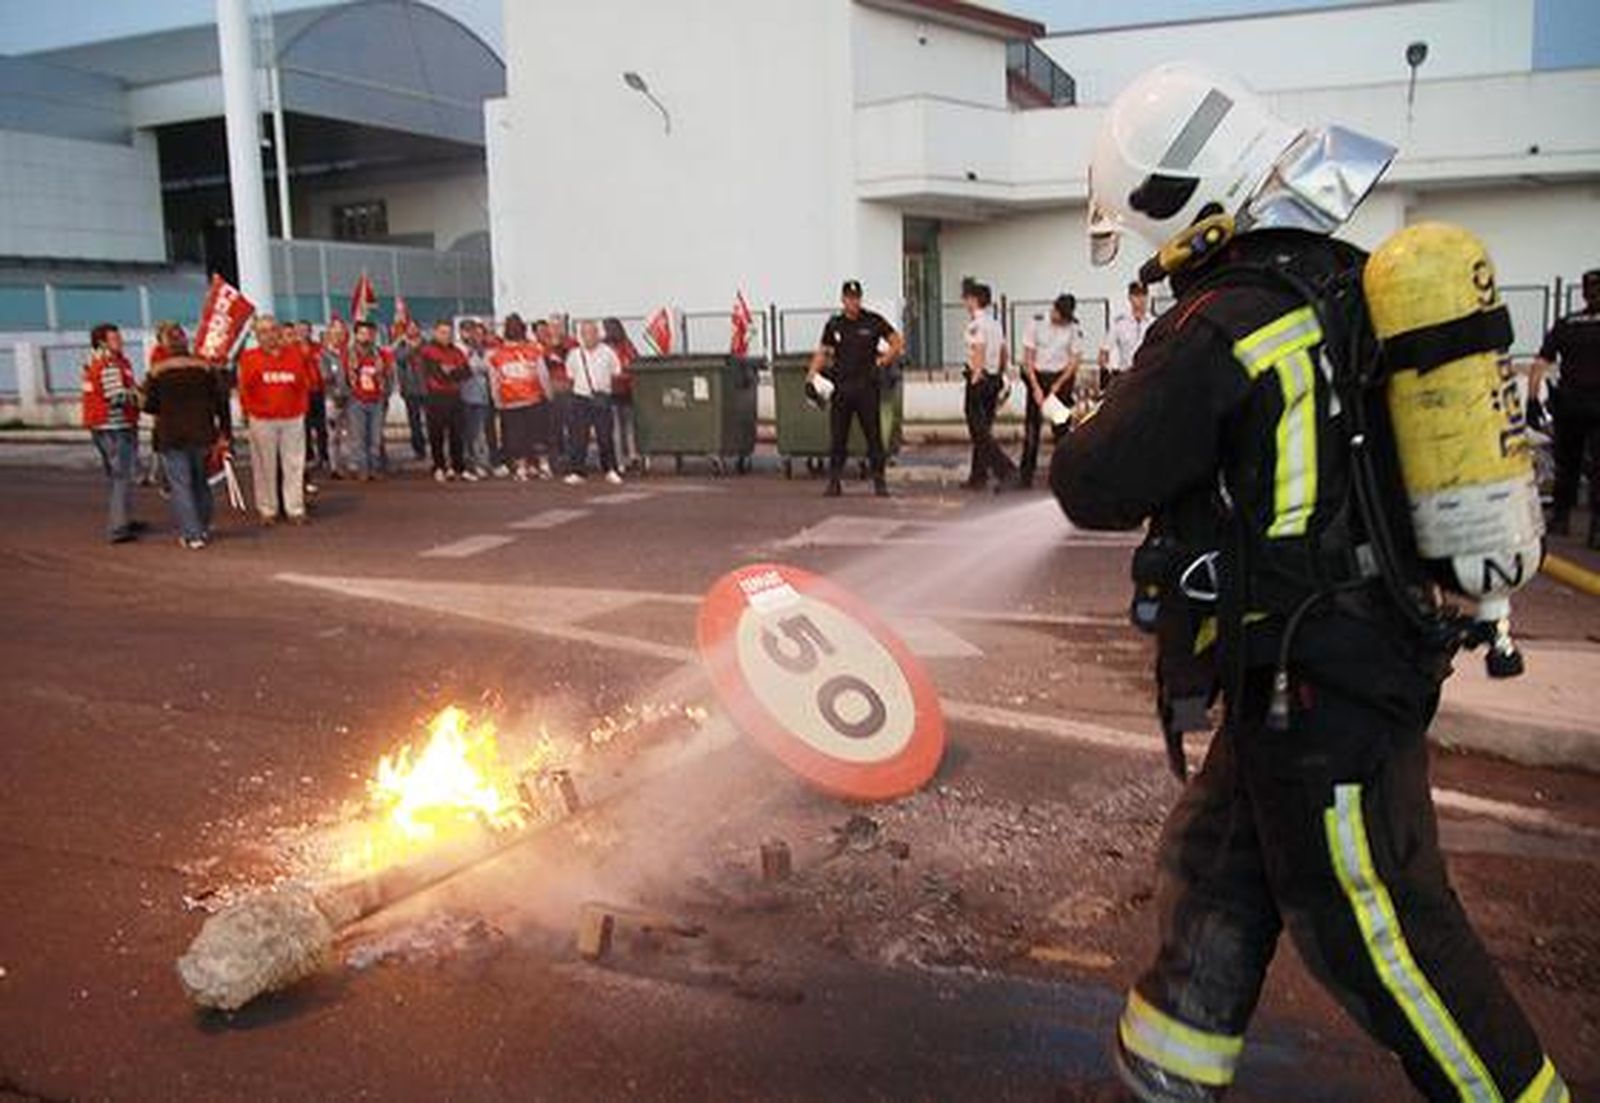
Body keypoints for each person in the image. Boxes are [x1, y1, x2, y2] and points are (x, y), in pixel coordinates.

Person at [1054, 62, 1568, 1103]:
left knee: (1378, 929)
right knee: (1216, 866)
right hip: (1312, 666)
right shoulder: (1340, 276)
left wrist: (1082, 422)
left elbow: (1095, 476)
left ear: (1179, 199)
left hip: (1321, 680)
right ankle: (1162, 1078)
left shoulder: (1226, 321)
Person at [808, 279, 902, 498]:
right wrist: (811, 374)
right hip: (841, 387)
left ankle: (879, 481)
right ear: (843, 300)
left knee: (873, 436)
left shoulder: (873, 321)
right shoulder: (835, 324)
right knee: (838, 436)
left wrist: (883, 361)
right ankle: (834, 482)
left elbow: (896, 342)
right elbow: (823, 351)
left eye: (856, 298)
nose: (853, 302)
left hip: (866, 388)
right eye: (849, 298)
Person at [1529, 267, 1600, 547]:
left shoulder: (1567, 323)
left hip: (1570, 404)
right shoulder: (1566, 324)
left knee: (1567, 465)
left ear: (1583, 292)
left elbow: (1540, 364)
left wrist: (1532, 400)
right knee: (1595, 467)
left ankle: (1561, 518)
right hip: (1591, 405)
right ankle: (1596, 528)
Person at [142, 330, 231, 548]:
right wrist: (225, 432)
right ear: (187, 345)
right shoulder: (205, 368)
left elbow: (149, 406)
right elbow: (221, 401)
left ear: (167, 348)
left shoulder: (156, 372)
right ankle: (204, 524)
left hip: (171, 435)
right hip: (202, 433)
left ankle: (192, 534)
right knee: (202, 482)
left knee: (181, 485)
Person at [237, 315, 311, 525]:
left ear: (279, 332)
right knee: (263, 465)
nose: (268, 335)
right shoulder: (249, 358)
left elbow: (303, 384)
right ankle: (268, 509)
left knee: (294, 464)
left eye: (271, 330)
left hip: (292, 417)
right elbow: (245, 389)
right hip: (262, 419)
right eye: (263, 332)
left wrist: (301, 409)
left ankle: (295, 508)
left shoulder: (295, 355)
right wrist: (248, 411)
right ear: (257, 336)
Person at [80, 323, 146, 543]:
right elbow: (115, 396)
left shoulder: (97, 362)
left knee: (116, 477)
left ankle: (124, 519)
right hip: (114, 427)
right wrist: (139, 397)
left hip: (104, 426)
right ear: (102, 342)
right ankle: (118, 526)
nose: (121, 342)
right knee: (121, 477)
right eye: (115, 339)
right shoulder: (108, 364)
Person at [1019, 293, 1084, 488]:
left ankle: (1064, 476)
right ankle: (1025, 476)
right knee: (1032, 428)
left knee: (1061, 429)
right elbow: (1027, 359)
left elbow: (1074, 361)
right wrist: (1036, 388)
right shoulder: (1036, 323)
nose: (1062, 321)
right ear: (1054, 310)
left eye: (1066, 318)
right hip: (1038, 377)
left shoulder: (1073, 328)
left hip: (1060, 379)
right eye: (1060, 316)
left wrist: (1057, 387)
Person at [962, 281, 1017, 492]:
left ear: (974, 300)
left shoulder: (976, 324)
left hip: (981, 379)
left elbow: (979, 349)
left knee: (979, 431)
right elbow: (1004, 351)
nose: (965, 302)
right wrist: (1001, 374)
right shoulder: (995, 323)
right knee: (983, 429)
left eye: (967, 298)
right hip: (994, 379)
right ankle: (978, 476)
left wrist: (976, 376)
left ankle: (1005, 469)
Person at [488, 314, 552, 481]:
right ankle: (544, 466)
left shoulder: (496, 354)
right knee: (538, 434)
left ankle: (521, 469)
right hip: (534, 398)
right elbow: (543, 375)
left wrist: (497, 401)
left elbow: (494, 381)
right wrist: (548, 394)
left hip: (510, 401)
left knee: (516, 436)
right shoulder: (534, 350)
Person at [563, 319, 624, 485]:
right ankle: (578, 471)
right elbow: (570, 376)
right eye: (585, 333)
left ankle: (610, 469)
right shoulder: (574, 354)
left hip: (602, 398)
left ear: (597, 334)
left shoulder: (608, 353)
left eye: (591, 332)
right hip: (580, 398)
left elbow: (616, 372)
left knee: (605, 436)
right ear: (581, 336)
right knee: (578, 437)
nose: (588, 337)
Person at [419, 319, 472, 481]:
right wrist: (452, 372)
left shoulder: (457, 352)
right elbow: (436, 375)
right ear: (435, 332)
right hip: (435, 397)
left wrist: (450, 372)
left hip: (455, 397)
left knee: (457, 435)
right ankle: (439, 467)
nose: (446, 336)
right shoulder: (427, 351)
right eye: (442, 332)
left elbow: (467, 373)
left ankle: (459, 468)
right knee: (437, 435)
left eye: (449, 333)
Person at [344, 319, 394, 481]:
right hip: (356, 401)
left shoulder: (381, 355)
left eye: (370, 333)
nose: (367, 336)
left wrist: (386, 394)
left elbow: (389, 376)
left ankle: (375, 467)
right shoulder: (348, 355)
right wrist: (346, 396)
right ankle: (362, 469)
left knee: (376, 437)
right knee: (358, 437)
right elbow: (342, 378)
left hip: (377, 400)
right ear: (356, 335)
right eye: (363, 333)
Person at [1099, 281, 1155, 393]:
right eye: (1136, 295)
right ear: (1130, 297)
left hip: (1148, 377)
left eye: (1144, 295)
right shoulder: (1120, 323)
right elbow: (1104, 352)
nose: (1141, 299)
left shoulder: (1154, 323)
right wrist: (1108, 373)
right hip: (1126, 376)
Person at [602, 317, 641, 471]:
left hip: (620, 389)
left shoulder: (619, 345)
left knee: (621, 426)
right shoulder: (623, 345)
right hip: (619, 389)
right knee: (623, 426)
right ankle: (627, 457)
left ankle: (626, 458)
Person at [459, 319, 496, 478]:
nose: (471, 335)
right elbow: (462, 368)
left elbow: (487, 368)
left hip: (481, 397)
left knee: (480, 432)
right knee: (467, 433)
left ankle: (482, 463)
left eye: (473, 331)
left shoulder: (483, 351)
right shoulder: (458, 349)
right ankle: (469, 464)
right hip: (463, 396)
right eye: (466, 331)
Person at [318, 317, 352, 479]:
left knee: (349, 433)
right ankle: (334, 466)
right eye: (335, 331)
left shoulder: (348, 353)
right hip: (332, 399)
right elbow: (325, 377)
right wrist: (334, 393)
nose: (339, 335)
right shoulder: (324, 354)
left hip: (350, 398)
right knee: (333, 434)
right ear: (330, 333)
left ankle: (349, 464)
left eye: (341, 332)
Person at [543, 314, 576, 470]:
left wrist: (559, 347)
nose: (555, 329)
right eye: (552, 326)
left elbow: (571, 361)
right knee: (553, 429)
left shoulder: (571, 344)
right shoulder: (544, 346)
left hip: (568, 390)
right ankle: (555, 460)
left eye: (558, 326)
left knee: (571, 426)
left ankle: (573, 459)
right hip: (552, 391)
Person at [394, 320, 428, 460]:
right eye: (410, 328)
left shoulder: (427, 344)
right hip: (410, 389)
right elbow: (400, 358)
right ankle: (419, 450)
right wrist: (411, 347)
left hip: (427, 388)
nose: (413, 330)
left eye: (415, 327)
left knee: (432, 421)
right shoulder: (401, 345)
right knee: (414, 422)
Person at [299, 319, 329, 474]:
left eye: (306, 330)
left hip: (318, 390)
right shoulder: (292, 350)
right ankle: (309, 455)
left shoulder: (318, 348)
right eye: (301, 330)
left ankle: (324, 455)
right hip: (302, 393)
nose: (304, 333)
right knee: (305, 427)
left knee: (321, 426)